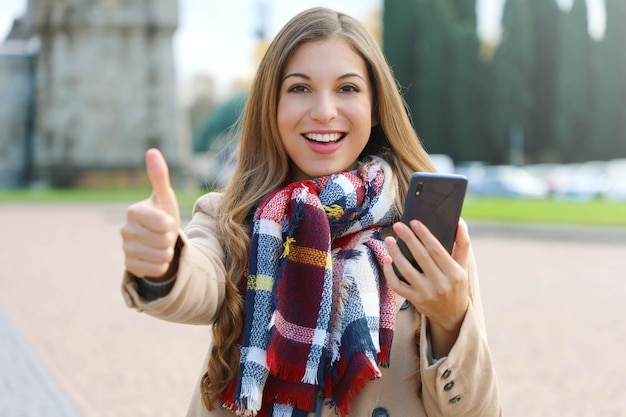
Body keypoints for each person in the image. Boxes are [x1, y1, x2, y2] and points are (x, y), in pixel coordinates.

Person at [120, 7, 501, 417]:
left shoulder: (424, 232)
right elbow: (201, 281)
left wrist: (450, 320)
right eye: (299, 88)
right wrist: (165, 262)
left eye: (348, 89)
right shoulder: (230, 218)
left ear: (375, 109)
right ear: (272, 106)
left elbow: (481, 411)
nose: (323, 111)